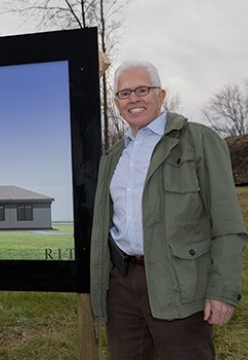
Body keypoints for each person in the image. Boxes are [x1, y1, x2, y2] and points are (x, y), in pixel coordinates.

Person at [90, 60, 247, 359]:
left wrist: (222, 290)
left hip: (180, 285)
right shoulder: (113, 157)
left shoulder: (198, 141)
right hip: (122, 286)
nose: (133, 98)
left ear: (161, 95)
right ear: (116, 103)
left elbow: (228, 225)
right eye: (124, 93)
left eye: (142, 89)